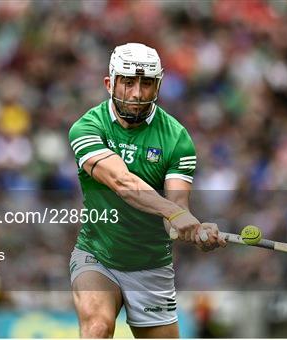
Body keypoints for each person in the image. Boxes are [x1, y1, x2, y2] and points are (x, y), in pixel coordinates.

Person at [68, 43, 226, 338]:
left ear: (158, 86)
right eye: (128, 82)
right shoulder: (87, 128)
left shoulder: (177, 139)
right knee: (97, 327)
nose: (137, 93)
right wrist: (175, 212)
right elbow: (122, 183)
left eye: (147, 83)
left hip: (151, 266)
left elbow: (176, 207)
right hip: (97, 255)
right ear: (109, 83)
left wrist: (193, 230)